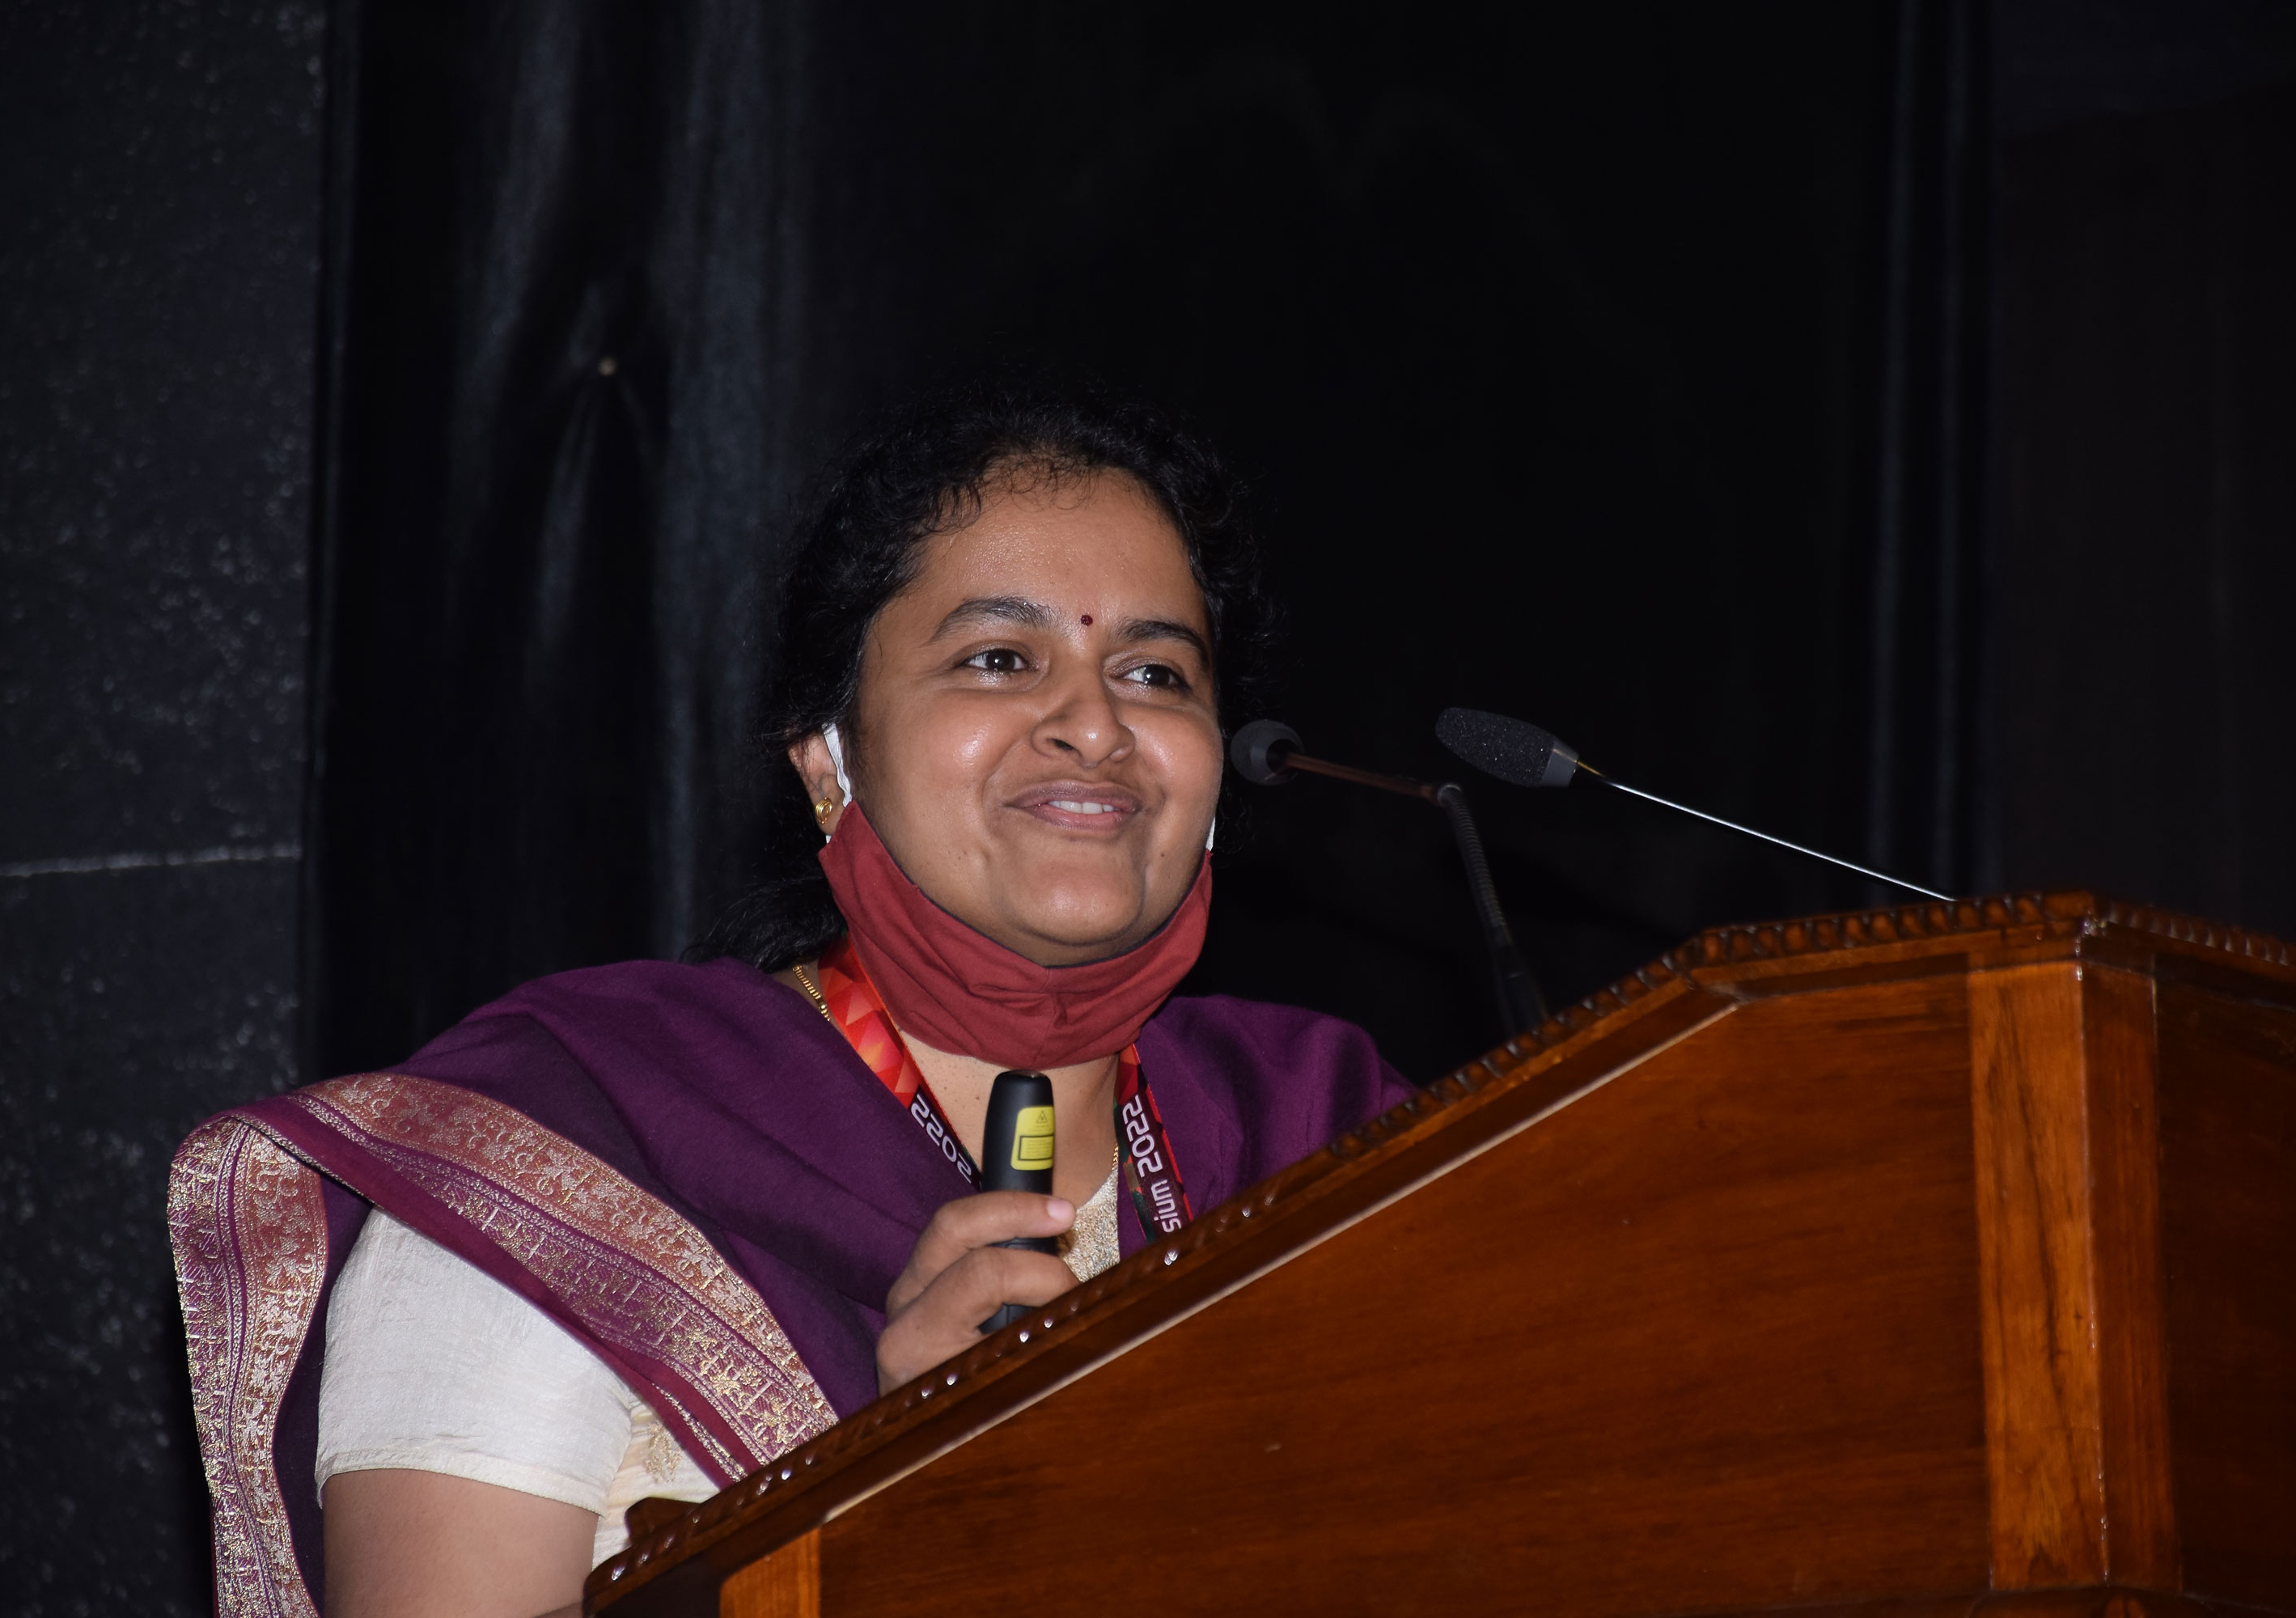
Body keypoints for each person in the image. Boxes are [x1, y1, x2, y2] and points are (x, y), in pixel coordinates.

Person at [169, 383, 1413, 1618]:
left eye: (1155, 673)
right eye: (998, 659)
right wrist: (882, 1512)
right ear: (829, 759)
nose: (1095, 725)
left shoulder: (1333, 1136)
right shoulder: (575, 1149)